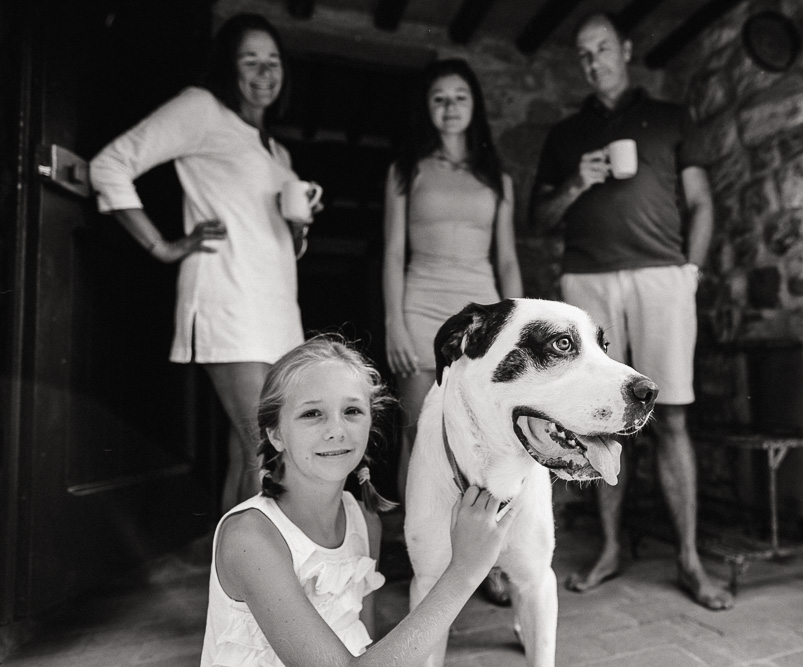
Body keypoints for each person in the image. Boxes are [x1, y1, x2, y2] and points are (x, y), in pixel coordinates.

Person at [531, 12, 732, 611]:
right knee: (597, 418)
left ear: (624, 48)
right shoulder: (566, 135)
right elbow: (539, 221)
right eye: (583, 55)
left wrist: (688, 274)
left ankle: (690, 559)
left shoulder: (670, 118)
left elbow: (701, 203)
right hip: (588, 280)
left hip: (660, 278)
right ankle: (611, 548)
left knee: (671, 416)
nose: (594, 61)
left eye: (602, 49)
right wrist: (576, 181)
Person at [90, 13, 321, 512]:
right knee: (268, 445)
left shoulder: (277, 152)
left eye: (273, 61)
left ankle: (232, 580)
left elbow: (276, 242)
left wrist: (299, 228)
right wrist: (162, 246)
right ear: (228, 67)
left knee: (251, 449)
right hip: (228, 296)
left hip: (276, 306)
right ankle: (259, 580)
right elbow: (110, 165)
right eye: (250, 60)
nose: (264, 72)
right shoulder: (202, 109)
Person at [200, 334, 518, 665]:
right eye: (312, 414)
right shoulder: (250, 537)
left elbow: (365, 648)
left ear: (370, 422)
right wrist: (465, 570)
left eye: (352, 410)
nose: (336, 430)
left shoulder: (364, 521)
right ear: (275, 434)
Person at [382, 58, 523, 605]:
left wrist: (517, 323)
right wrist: (394, 319)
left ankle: (485, 559)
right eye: (438, 96)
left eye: (459, 95)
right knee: (422, 433)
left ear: (474, 105)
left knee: (487, 433)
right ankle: (426, 551)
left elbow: (507, 259)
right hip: (420, 307)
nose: (449, 105)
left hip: (484, 317)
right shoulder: (405, 171)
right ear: (428, 107)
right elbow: (392, 253)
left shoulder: (497, 177)